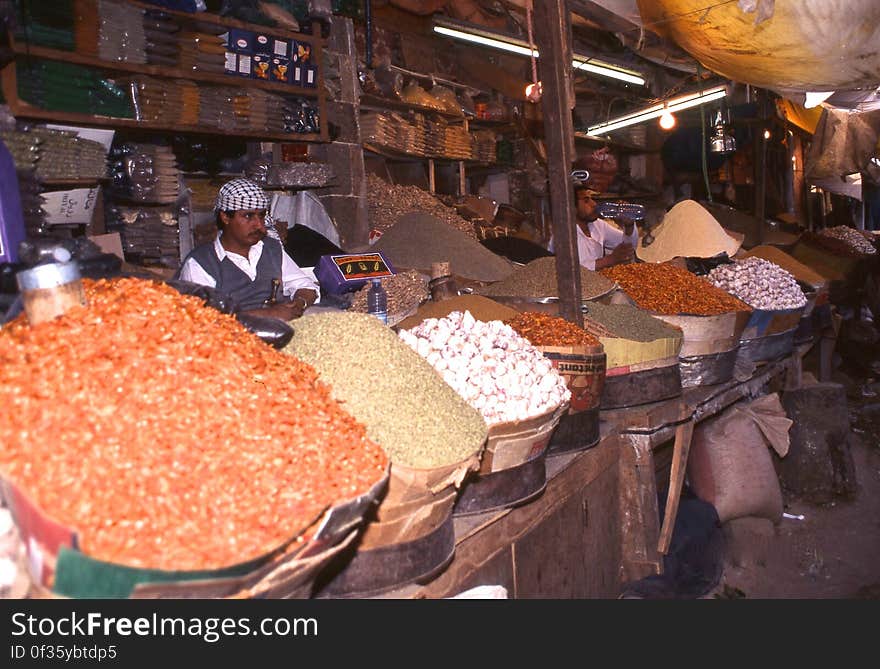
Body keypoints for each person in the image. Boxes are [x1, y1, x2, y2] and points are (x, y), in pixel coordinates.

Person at [176, 178, 319, 320]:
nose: (259, 226)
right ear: (225, 217)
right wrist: (269, 314)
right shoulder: (200, 263)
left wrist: (299, 303)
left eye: (261, 216)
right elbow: (202, 319)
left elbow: (306, 286)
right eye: (248, 216)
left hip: (280, 329)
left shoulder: (271, 248)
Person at [548, 173, 638, 270]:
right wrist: (610, 259)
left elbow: (630, 246)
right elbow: (574, 270)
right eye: (586, 201)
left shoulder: (597, 225)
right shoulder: (563, 233)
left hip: (595, 281)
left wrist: (628, 225)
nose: (594, 204)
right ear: (571, 208)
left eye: (592, 199)